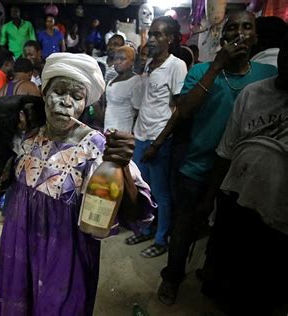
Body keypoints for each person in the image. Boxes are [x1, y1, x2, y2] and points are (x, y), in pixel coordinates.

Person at [0, 52, 156, 315]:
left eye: (77, 97)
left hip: (65, 250)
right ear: (44, 93)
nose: (66, 103)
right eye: (59, 92)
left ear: (85, 103)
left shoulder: (96, 147)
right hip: (20, 240)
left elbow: (135, 211)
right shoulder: (29, 136)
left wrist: (123, 164)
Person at [154, 11, 278, 305]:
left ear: (256, 37)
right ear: (223, 38)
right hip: (198, 166)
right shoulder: (201, 71)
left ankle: (211, 275)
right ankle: (172, 277)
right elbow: (184, 112)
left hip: (241, 173)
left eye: (247, 27)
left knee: (224, 230)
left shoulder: (266, 76)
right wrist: (218, 65)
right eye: (233, 28)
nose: (240, 33)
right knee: (184, 226)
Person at [200, 37, 288, 315]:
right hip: (237, 197)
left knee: (263, 283)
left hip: (278, 211)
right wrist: (211, 198)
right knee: (227, 269)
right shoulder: (253, 93)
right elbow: (226, 150)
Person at [127, 16, 188, 258]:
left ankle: (162, 239)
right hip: (141, 134)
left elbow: (179, 109)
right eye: (150, 34)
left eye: (158, 34)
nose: (151, 39)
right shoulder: (149, 65)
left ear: (170, 39)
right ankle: (148, 228)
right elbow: (142, 103)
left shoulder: (176, 66)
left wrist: (159, 142)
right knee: (146, 190)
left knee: (161, 193)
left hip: (158, 138)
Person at [104, 46, 142, 133]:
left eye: (122, 59)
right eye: (116, 58)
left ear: (132, 62)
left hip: (124, 131)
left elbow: (138, 112)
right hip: (108, 129)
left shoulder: (135, 82)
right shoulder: (111, 80)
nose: (118, 62)